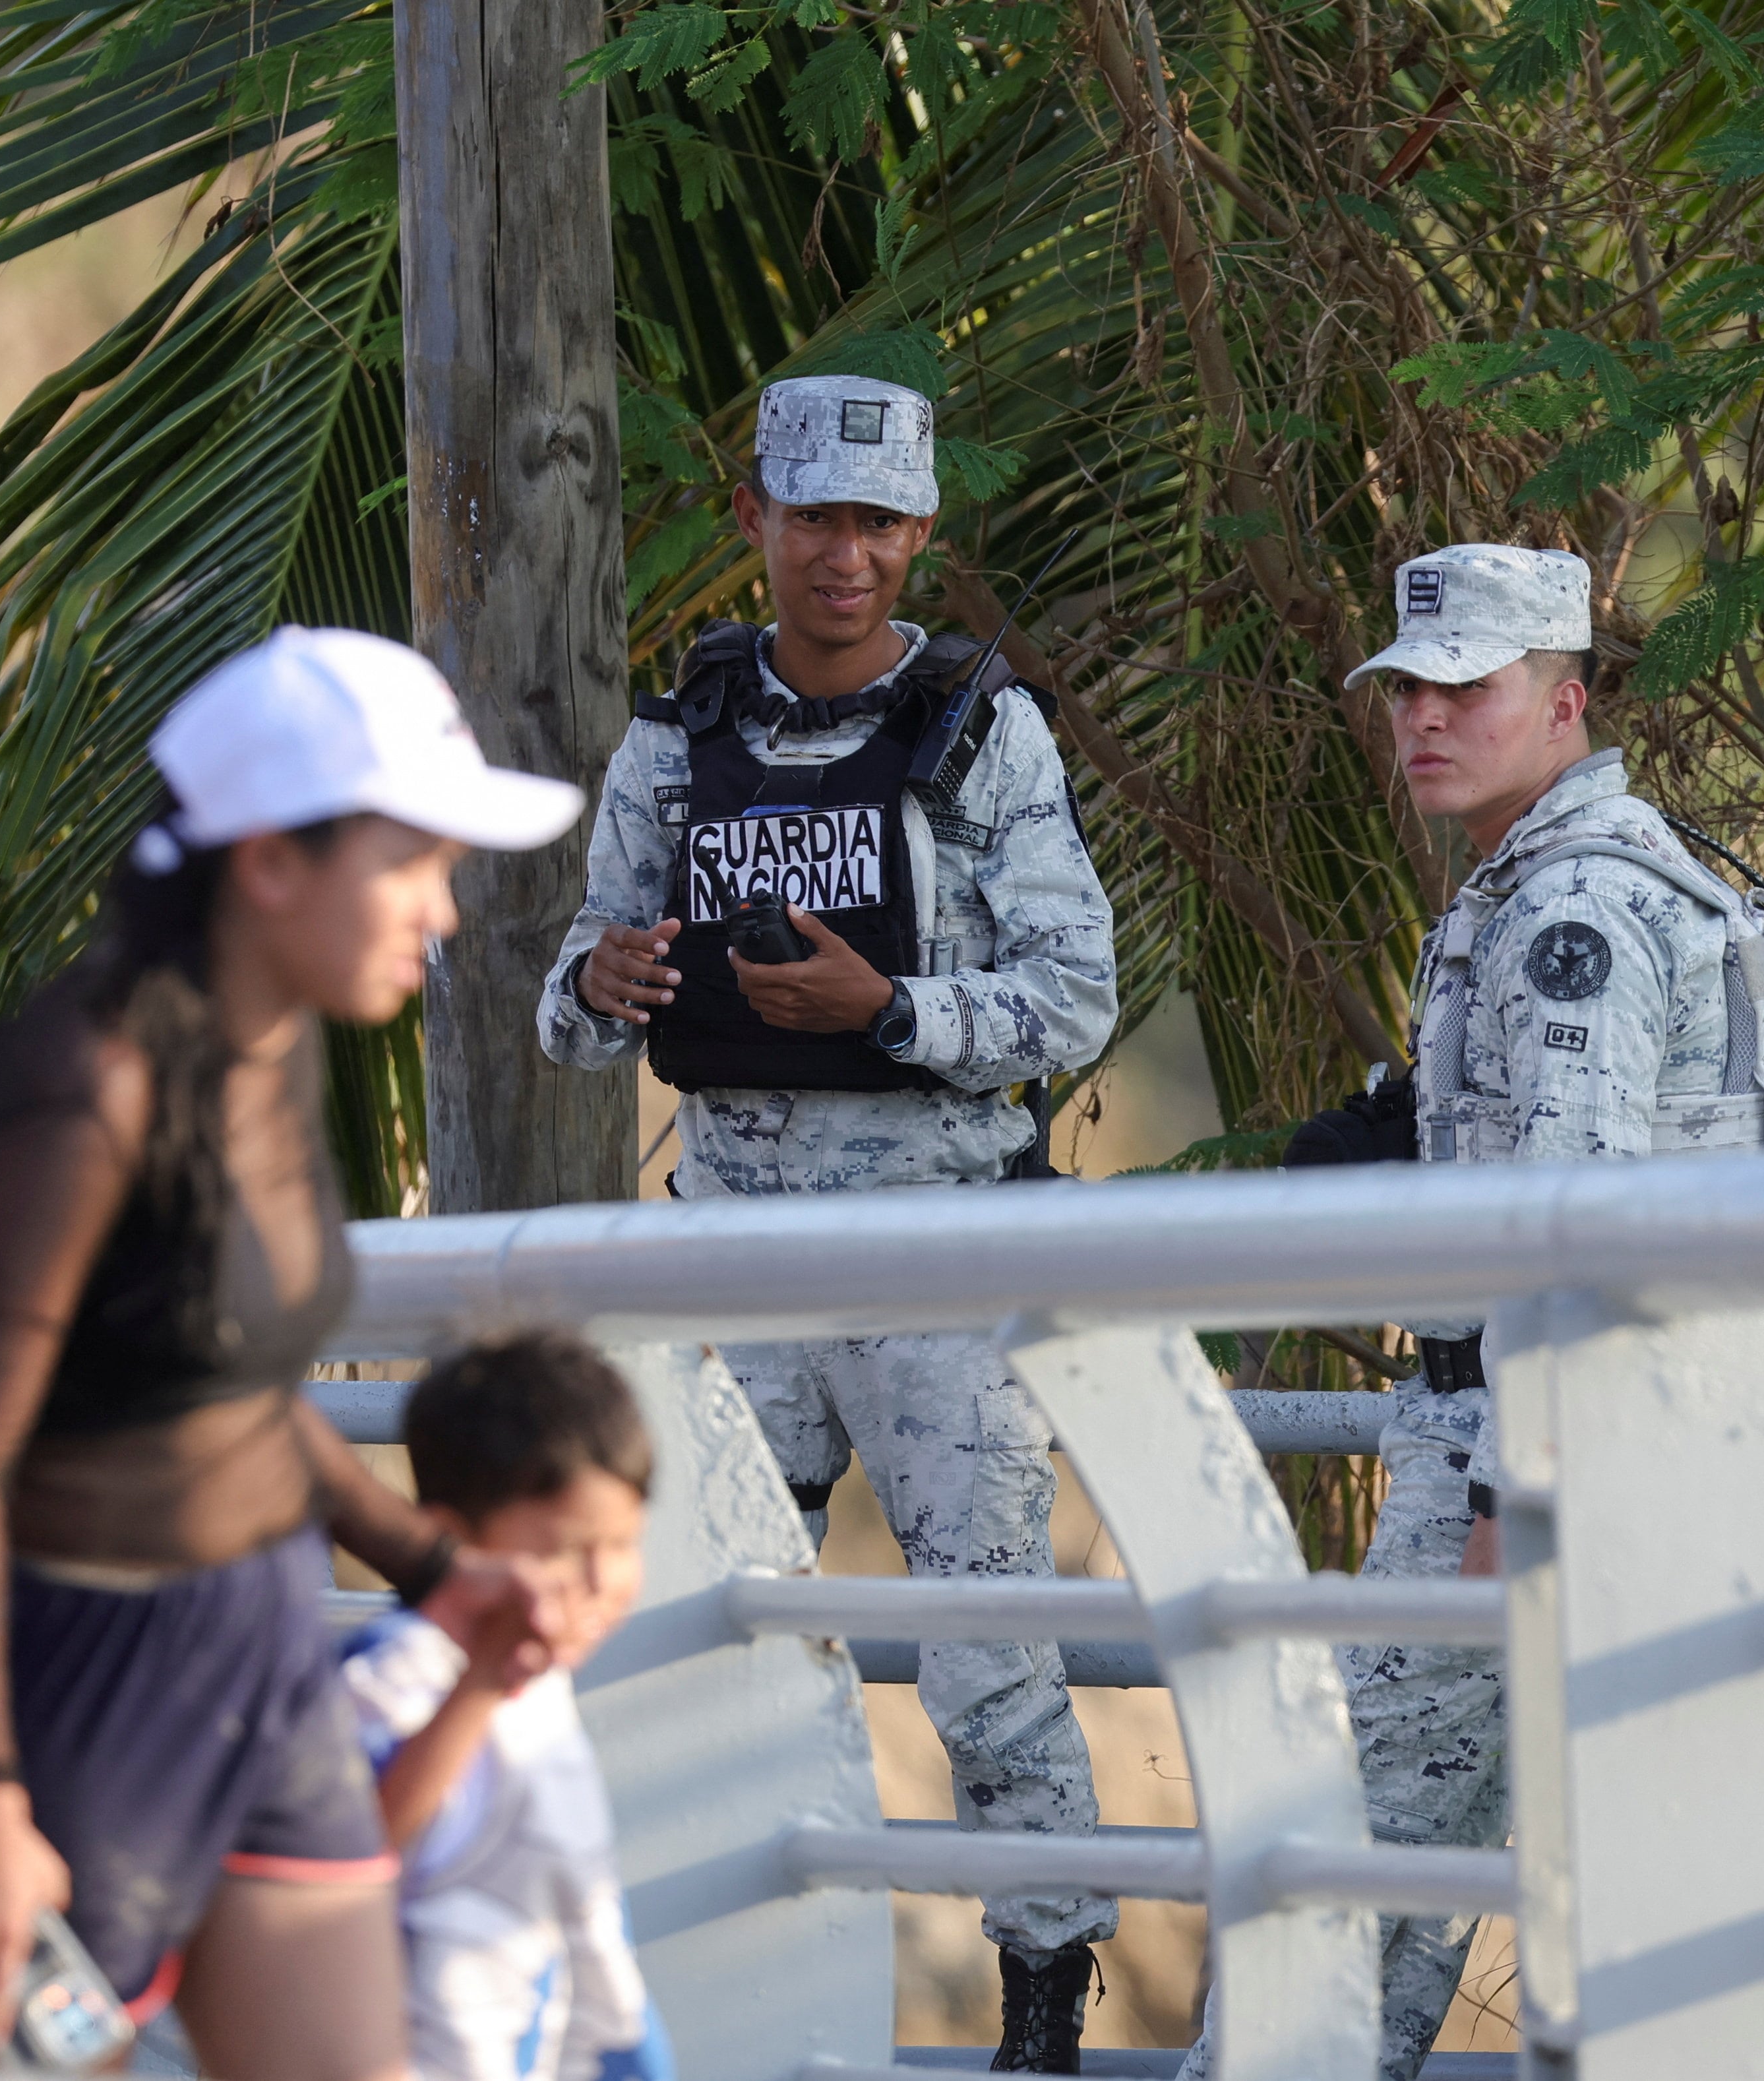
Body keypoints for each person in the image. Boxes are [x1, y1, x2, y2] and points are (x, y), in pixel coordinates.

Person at [0, 627, 579, 2075]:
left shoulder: (278, 1035)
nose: (441, 909)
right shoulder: (82, 1084)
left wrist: (435, 1572)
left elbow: (233, 1393)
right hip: (48, 1687)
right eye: (414, 860)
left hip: (255, 1646)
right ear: (271, 864)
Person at [535, 375, 1121, 2070]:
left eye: (877, 522)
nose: (844, 554)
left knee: (986, 1645)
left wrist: (893, 1011)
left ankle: (1041, 2015)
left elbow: (1074, 998)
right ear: (757, 524)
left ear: (920, 532)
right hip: (731, 1247)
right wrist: (602, 974)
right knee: (705, 1638)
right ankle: (705, 2008)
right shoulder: (678, 729)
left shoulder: (980, 728)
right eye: (814, 517)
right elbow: (563, 1001)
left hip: (935, 1253)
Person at [1207, 545, 1764, 2081]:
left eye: (1465, 686)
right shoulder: (1573, 873)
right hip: (1642, 1436)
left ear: (1566, 698)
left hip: (1543, 1446)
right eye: (1406, 685)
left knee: (1342, 1883)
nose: (1423, 715)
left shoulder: (1576, 908)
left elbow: (1569, 1226)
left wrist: (1504, 1487)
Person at [338, 1330, 671, 2081]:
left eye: (624, 1543)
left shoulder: (539, 1681)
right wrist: (480, 1683)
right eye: (564, 1549)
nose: (600, 1579)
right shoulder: (392, 1680)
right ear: (456, 1542)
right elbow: (343, 1860)